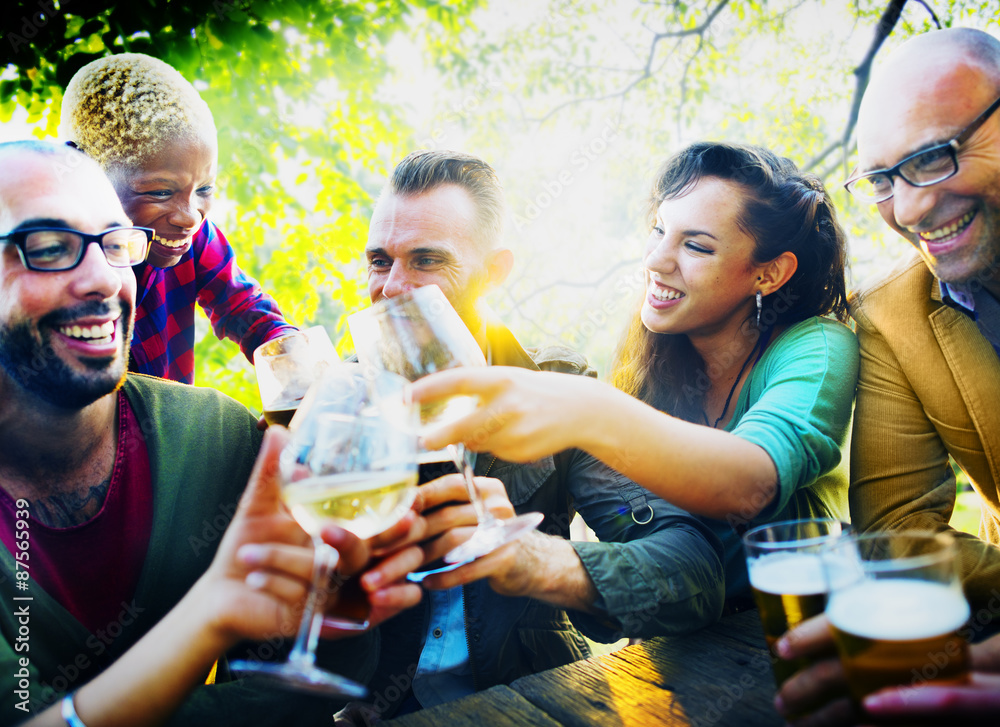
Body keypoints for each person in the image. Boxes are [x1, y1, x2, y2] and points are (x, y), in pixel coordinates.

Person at [0, 140, 421, 726]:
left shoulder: (219, 440)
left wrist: (338, 605)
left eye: (117, 245)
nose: (104, 279)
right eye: (49, 248)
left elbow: (322, 680)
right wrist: (210, 618)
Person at [343, 149, 727, 721]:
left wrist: (536, 560)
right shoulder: (340, 409)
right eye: (379, 261)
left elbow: (693, 570)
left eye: (426, 260)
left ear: (495, 271)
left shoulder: (556, 387)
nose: (392, 287)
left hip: (532, 705)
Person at [414, 142, 858, 605]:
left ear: (769, 274)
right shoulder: (654, 362)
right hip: (675, 655)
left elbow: (750, 484)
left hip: (805, 628)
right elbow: (638, 531)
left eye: (696, 246)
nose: (655, 261)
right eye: (659, 230)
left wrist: (586, 410)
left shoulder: (817, 347)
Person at [770, 27, 1000, 726]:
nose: (907, 209)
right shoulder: (892, 314)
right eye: (879, 179)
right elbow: (898, 528)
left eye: (931, 157)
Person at [60, 53, 296, 385]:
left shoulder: (196, 241)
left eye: (205, 188)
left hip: (166, 430)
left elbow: (245, 308)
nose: (189, 217)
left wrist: (294, 359)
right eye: (160, 192)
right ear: (86, 172)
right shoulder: (53, 263)